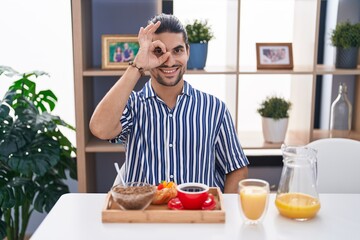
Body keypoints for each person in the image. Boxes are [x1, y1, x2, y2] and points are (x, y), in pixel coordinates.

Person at [89, 13, 249, 193]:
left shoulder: (214, 109)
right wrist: (138, 65)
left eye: (177, 50)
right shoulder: (132, 105)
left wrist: (223, 215)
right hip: (145, 213)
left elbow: (237, 168)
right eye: (159, 51)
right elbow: (100, 128)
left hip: (199, 215)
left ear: (187, 52)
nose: (169, 61)